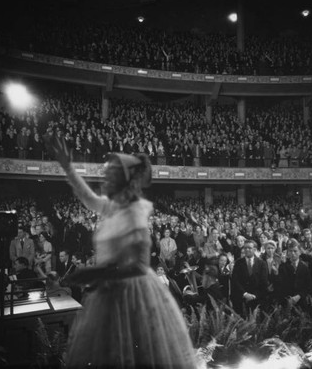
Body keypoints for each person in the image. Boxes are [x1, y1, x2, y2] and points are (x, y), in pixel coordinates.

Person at [44, 134, 197, 368]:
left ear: (124, 180)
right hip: (107, 290)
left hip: (132, 294)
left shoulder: (135, 212)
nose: (105, 177)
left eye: (111, 174)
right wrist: (67, 166)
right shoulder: (110, 206)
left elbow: (138, 265)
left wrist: (95, 273)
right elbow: (87, 196)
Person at [231, 239, 268, 317]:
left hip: (257, 299)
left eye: (249, 248)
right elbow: (235, 280)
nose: (247, 250)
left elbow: (263, 282)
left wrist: (254, 296)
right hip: (241, 298)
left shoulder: (262, 263)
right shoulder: (238, 262)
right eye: (245, 248)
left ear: (254, 249)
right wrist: (245, 294)